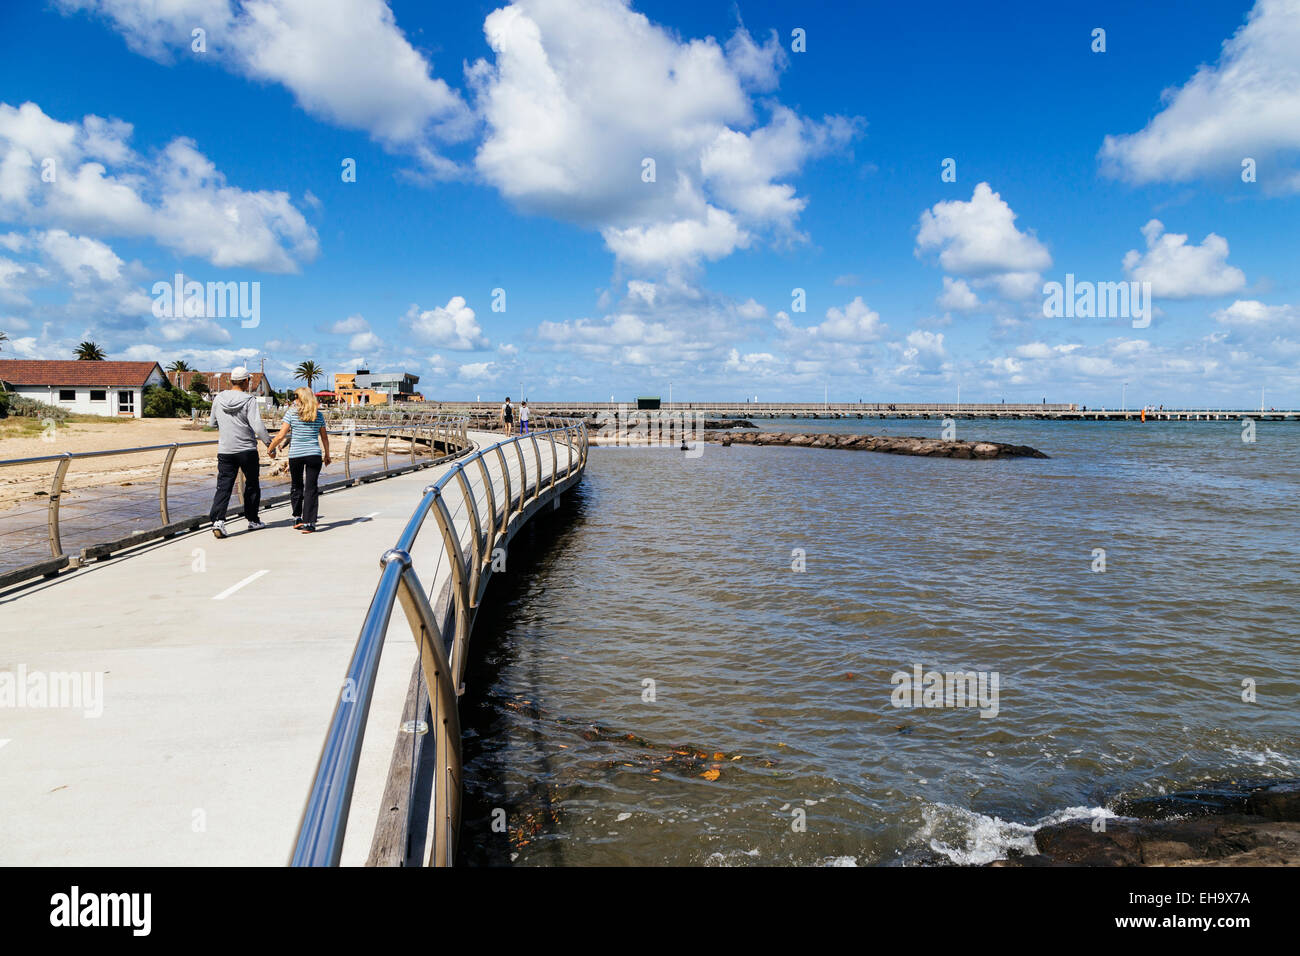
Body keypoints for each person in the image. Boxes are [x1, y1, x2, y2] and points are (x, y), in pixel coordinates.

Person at [207, 366, 272, 538]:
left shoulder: (218, 398)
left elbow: (212, 423)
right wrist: (268, 443)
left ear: (230, 380)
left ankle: (218, 522)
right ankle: (253, 520)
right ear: (245, 381)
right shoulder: (249, 400)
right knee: (252, 484)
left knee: (224, 485)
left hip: (226, 450)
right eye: (248, 380)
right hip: (247, 450)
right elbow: (257, 425)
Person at [268, 386, 331, 533]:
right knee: (311, 488)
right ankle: (309, 522)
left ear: (301, 398)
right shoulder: (318, 415)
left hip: (296, 455)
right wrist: (327, 454)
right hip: (314, 454)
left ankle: (297, 517)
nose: (294, 400)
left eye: (296, 397)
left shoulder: (291, 413)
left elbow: (280, 435)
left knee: (296, 486)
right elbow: (324, 437)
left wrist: (270, 448)